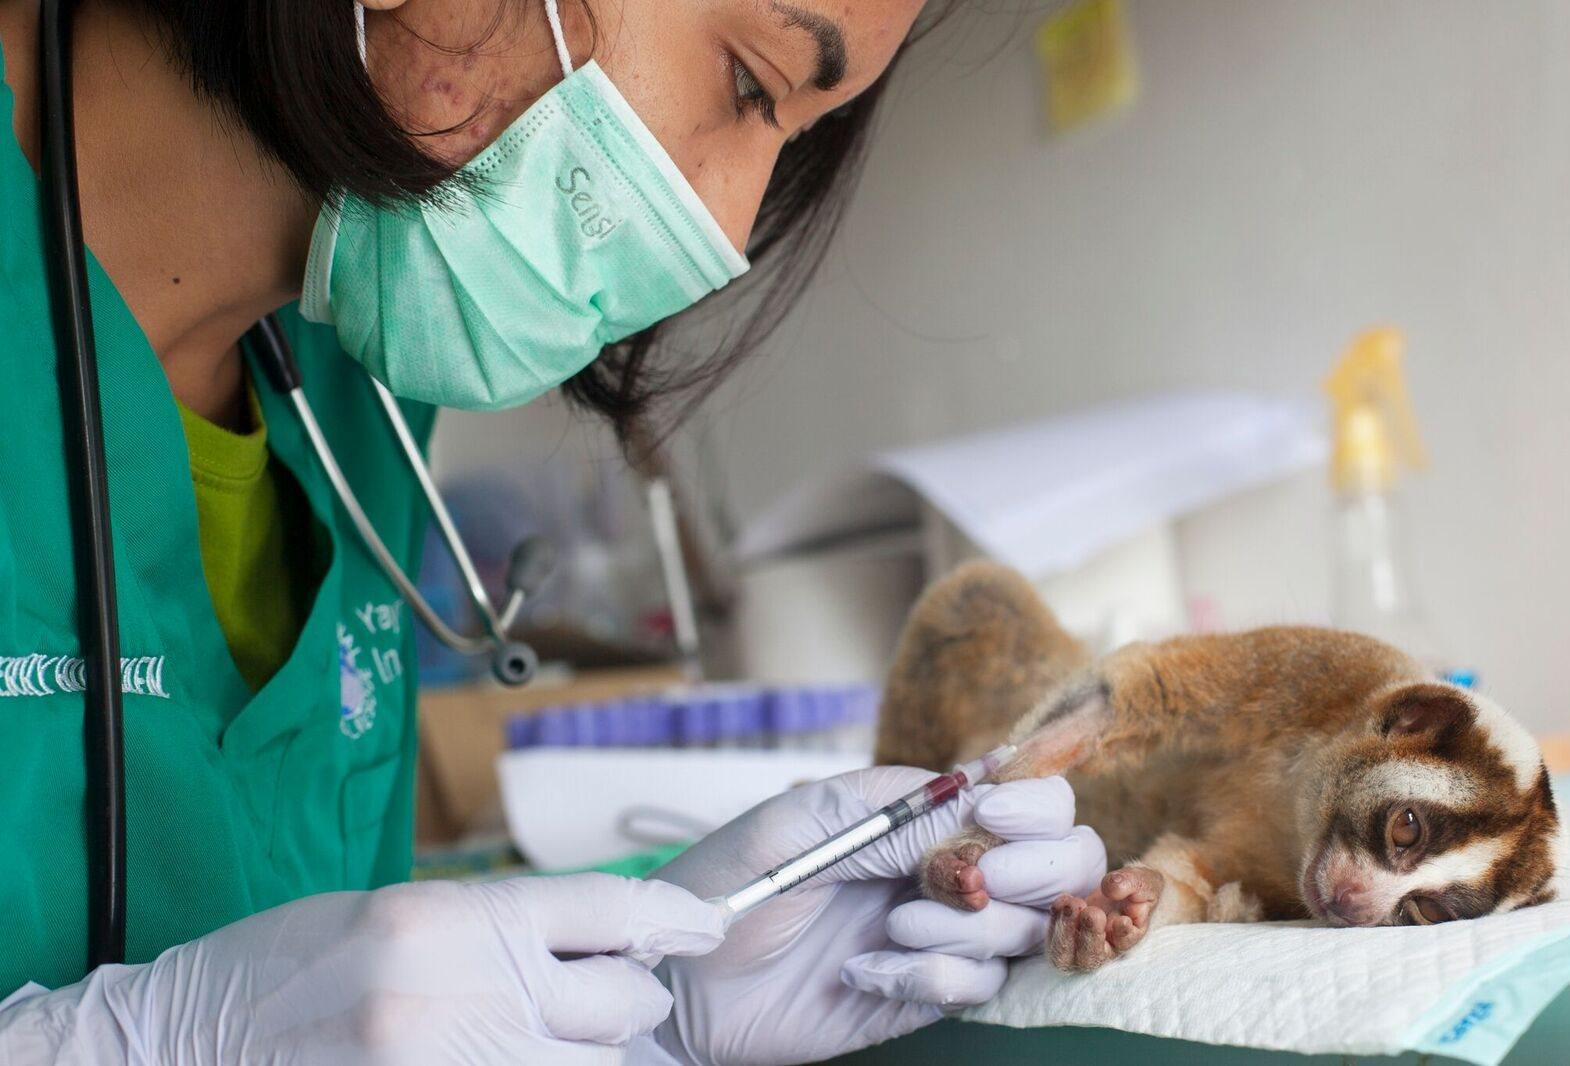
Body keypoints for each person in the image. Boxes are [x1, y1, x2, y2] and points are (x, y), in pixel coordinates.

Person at [0, 1, 1108, 1062]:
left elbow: (317, 979)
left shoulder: (354, 381)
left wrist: (647, 1006)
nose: (726, 229)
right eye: (746, 81)